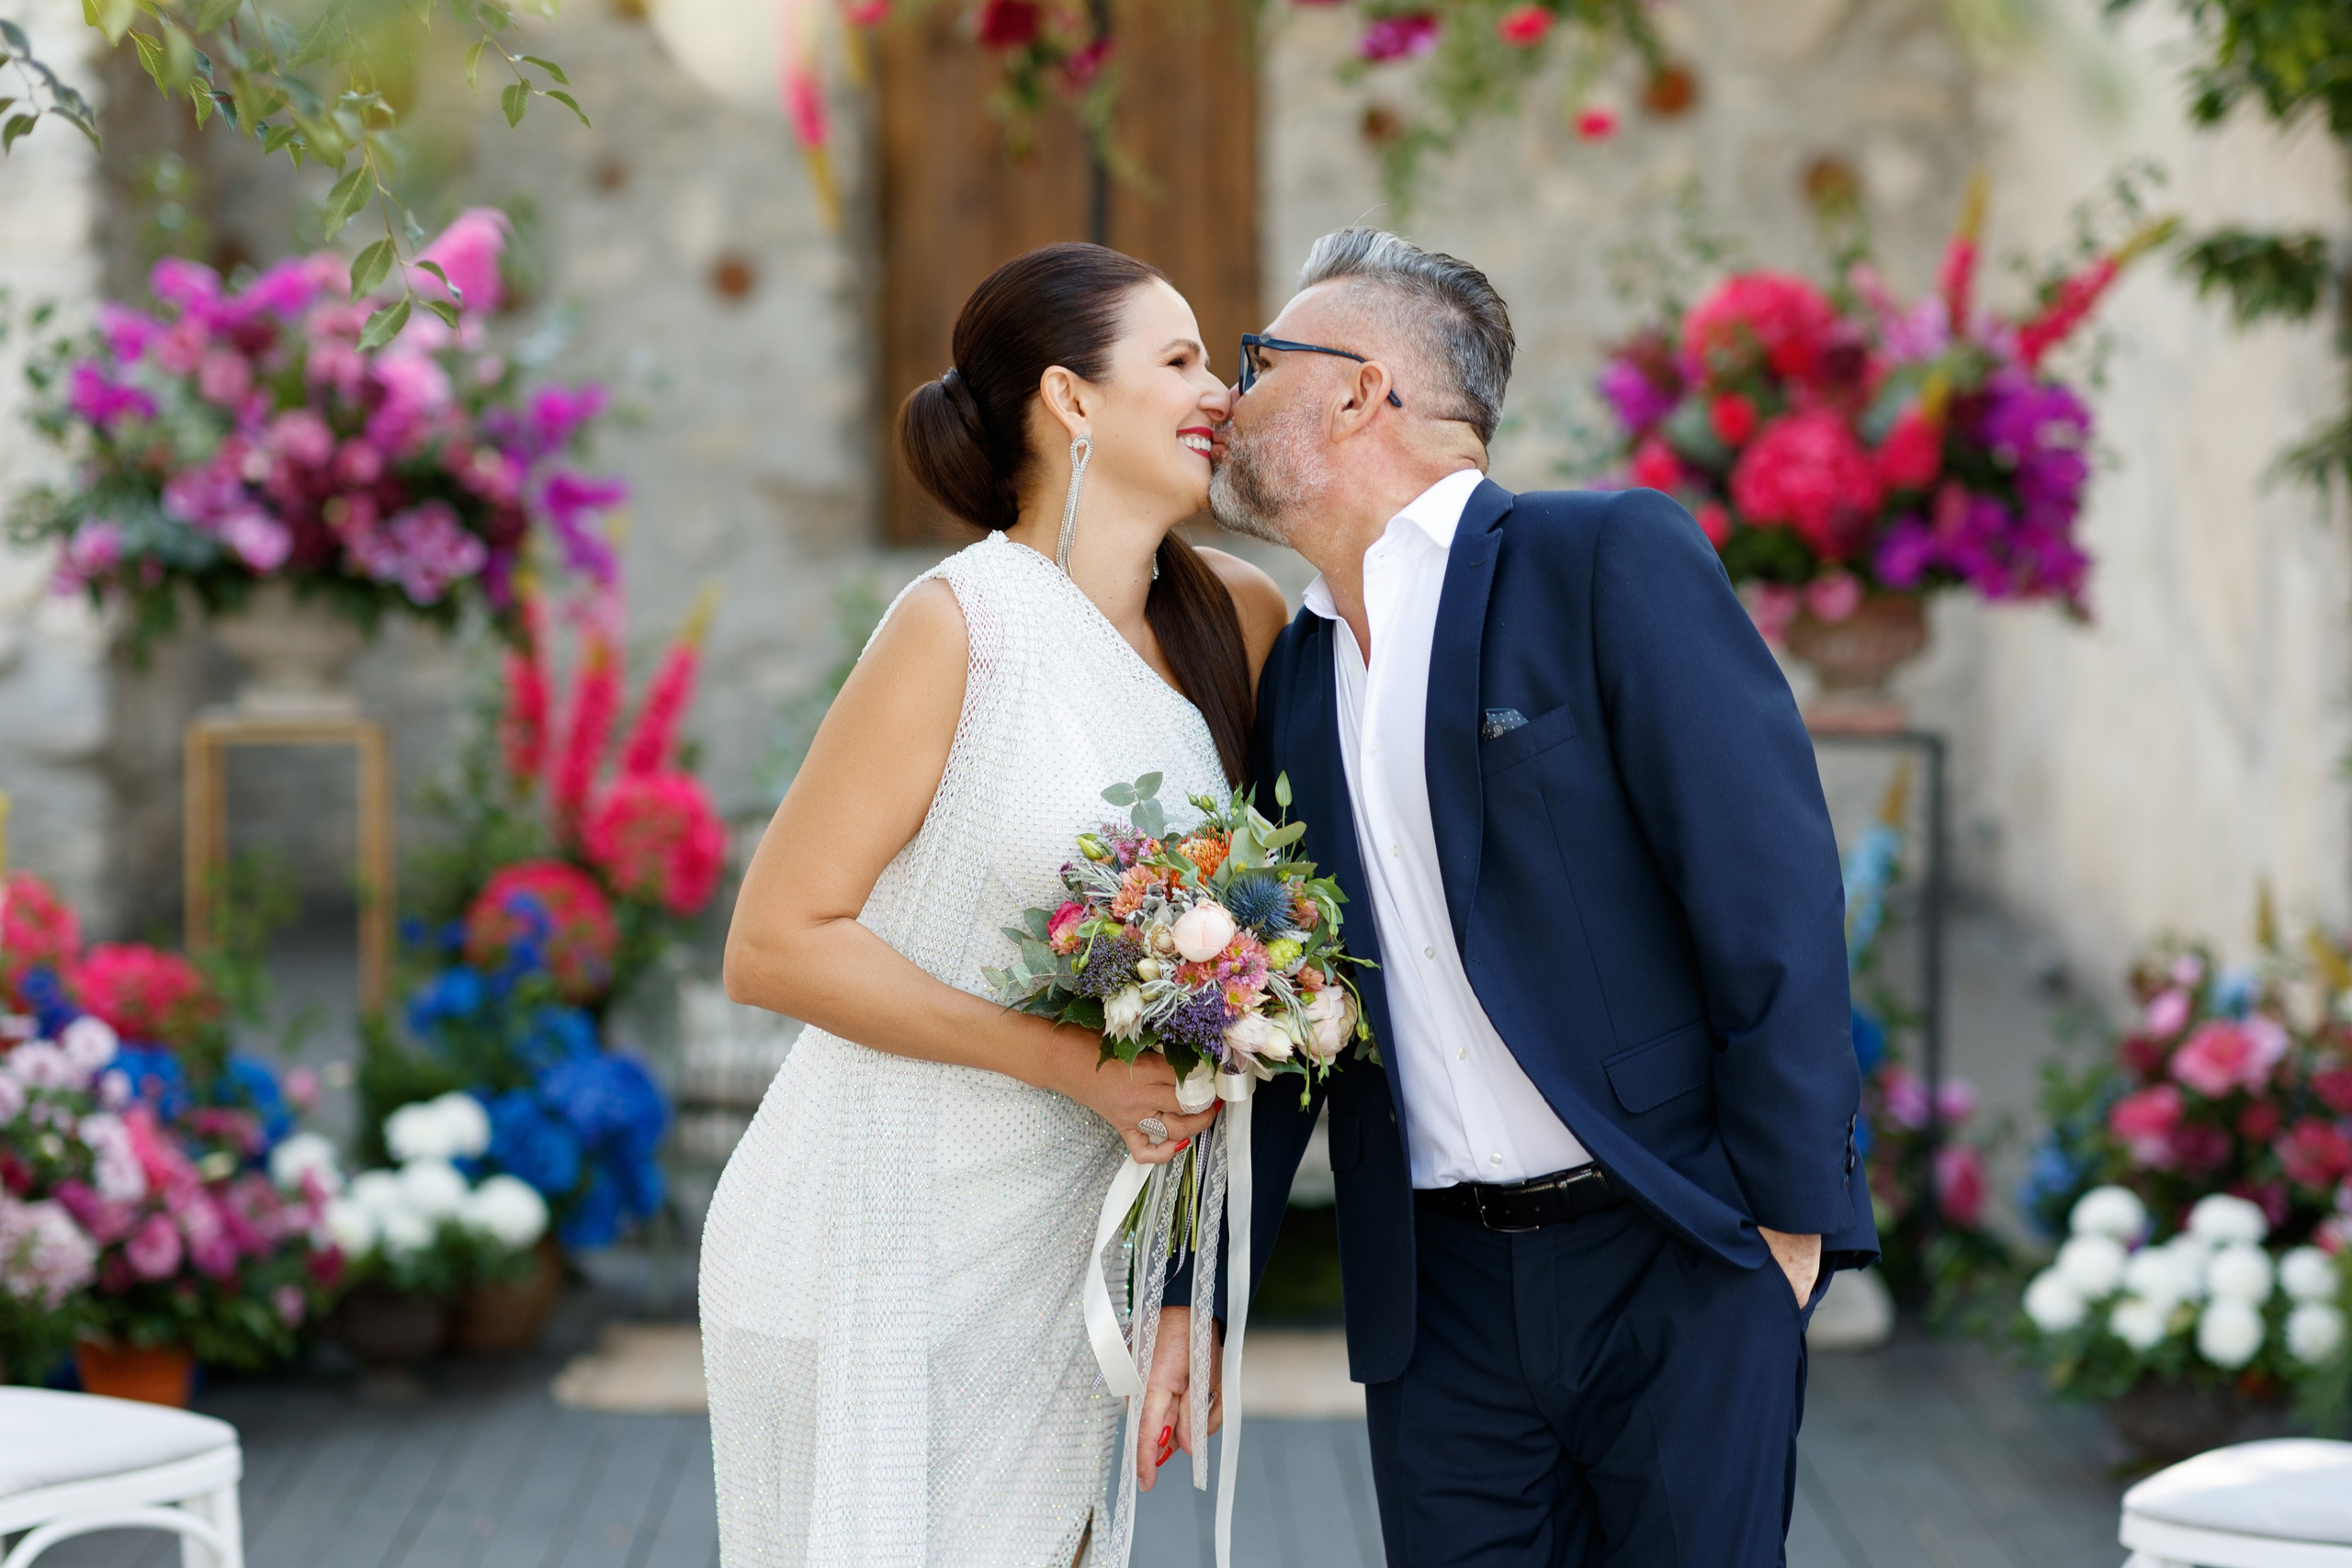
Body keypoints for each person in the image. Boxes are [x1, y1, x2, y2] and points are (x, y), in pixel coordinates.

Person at [1169, 228, 1882, 1566]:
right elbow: (1288, 1014)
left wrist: (1787, 1231)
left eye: (1259, 362)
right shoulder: (1300, 678)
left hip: (1672, 1253)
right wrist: (1195, 1294)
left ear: (1359, 389)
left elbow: (1770, 893)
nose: (1227, 396)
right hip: (1437, 1310)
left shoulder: (1602, 558)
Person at [701, 243, 1288, 1568]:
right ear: (1072, 401)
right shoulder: (960, 622)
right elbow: (776, 944)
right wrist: (1072, 1064)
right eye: (1182, 360)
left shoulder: (1240, 621)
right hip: (876, 1231)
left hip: (1072, 1251)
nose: (1219, 391)